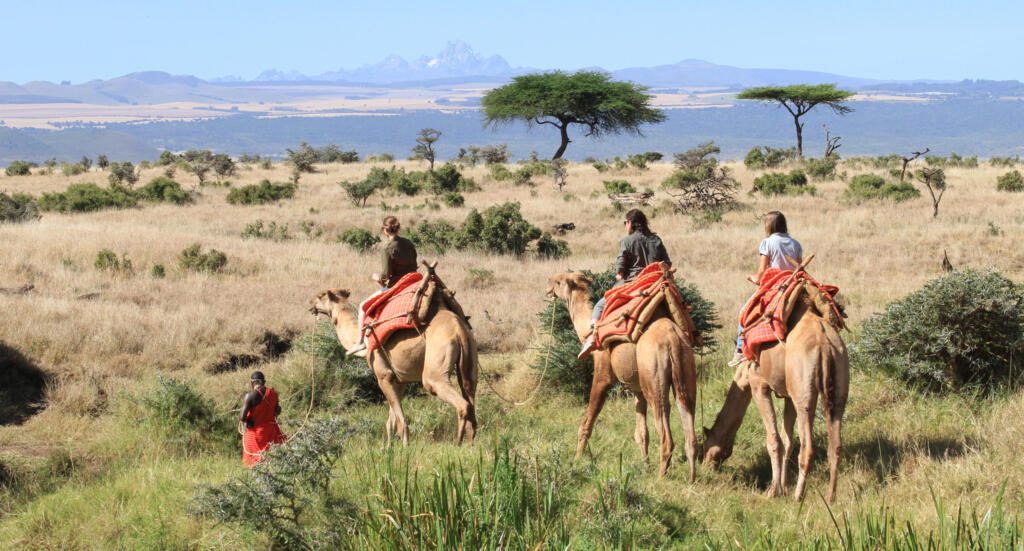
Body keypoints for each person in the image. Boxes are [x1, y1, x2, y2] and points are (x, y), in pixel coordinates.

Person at [578, 209, 671, 359]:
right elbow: (667, 263)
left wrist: (619, 274)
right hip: (656, 284)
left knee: (600, 306)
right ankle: (694, 332)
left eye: (625, 222)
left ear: (630, 223)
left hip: (633, 285)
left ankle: (593, 337)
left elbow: (621, 269)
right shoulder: (656, 240)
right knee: (680, 303)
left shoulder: (626, 241)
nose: (625, 225)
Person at [728, 211, 803, 367]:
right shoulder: (796, 244)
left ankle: (740, 350)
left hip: (776, 285)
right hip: (794, 284)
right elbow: (799, 268)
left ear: (769, 225)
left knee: (744, 311)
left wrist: (752, 277)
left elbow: (761, 275)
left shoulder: (767, 242)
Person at [345, 216, 418, 357]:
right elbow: (414, 263)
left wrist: (376, 277)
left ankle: (359, 342)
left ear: (385, 230)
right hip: (413, 281)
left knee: (363, 307)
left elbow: (384, 279)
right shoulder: (408, 243)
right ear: (398, 228)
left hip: (396, 286)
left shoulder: (387, 248)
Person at [241, 371, 285, 467]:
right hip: (272, 431)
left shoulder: (250, 396)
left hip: (256, 433)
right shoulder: (273, 393)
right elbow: (277, 411)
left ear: (252, 383)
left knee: (254, 461)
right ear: (264, 382)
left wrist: (249, 420)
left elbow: (242, 417)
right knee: (274, 459)